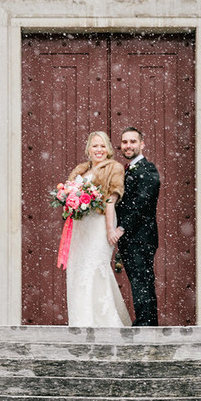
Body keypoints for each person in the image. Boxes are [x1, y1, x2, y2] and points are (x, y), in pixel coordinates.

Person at [65, 131, 131, 327]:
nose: (99, 150)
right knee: (77, 268)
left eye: (103, 146)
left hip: (99, 224)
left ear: (108, 149)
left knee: (94, 267)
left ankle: (103, 321)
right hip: (80, 226)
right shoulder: (81, 170)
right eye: (95, 146)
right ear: (89, 149)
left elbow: (111, 199)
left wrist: (110, 229)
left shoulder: (114, 168)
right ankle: (81, 319)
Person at [111, 126, 161, 326]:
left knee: (142, 282)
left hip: (141, 237)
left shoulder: (148, 170)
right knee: (138, 281)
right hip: (131, 238)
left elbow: (140, 204)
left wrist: (121, 228)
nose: (128, 145)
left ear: (142, 144)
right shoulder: (127, 169)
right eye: (125, 142)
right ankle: (146, 323)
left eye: (133, 141)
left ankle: (146, 324)